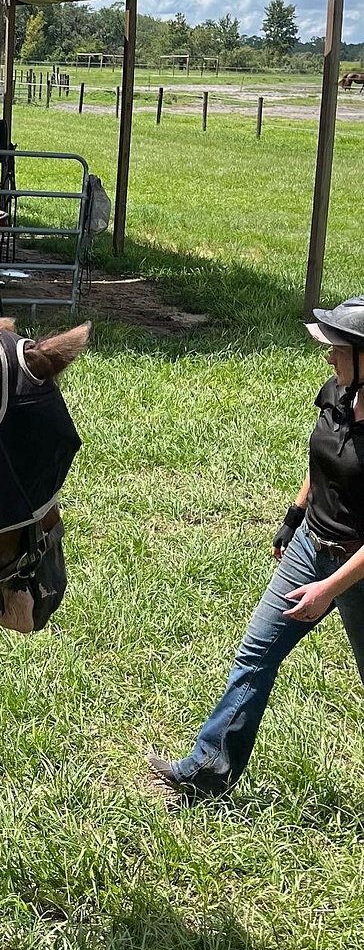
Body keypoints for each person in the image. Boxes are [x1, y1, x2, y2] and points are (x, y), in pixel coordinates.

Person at [147, 296, 364, 800]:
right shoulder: (337, 391)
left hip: (355, 568)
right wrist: (294, 519)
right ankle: (205, 772)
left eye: (337, 347)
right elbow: (322, 459)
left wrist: (327, 590)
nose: (328, 355)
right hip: (311, 545)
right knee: (256, 655)